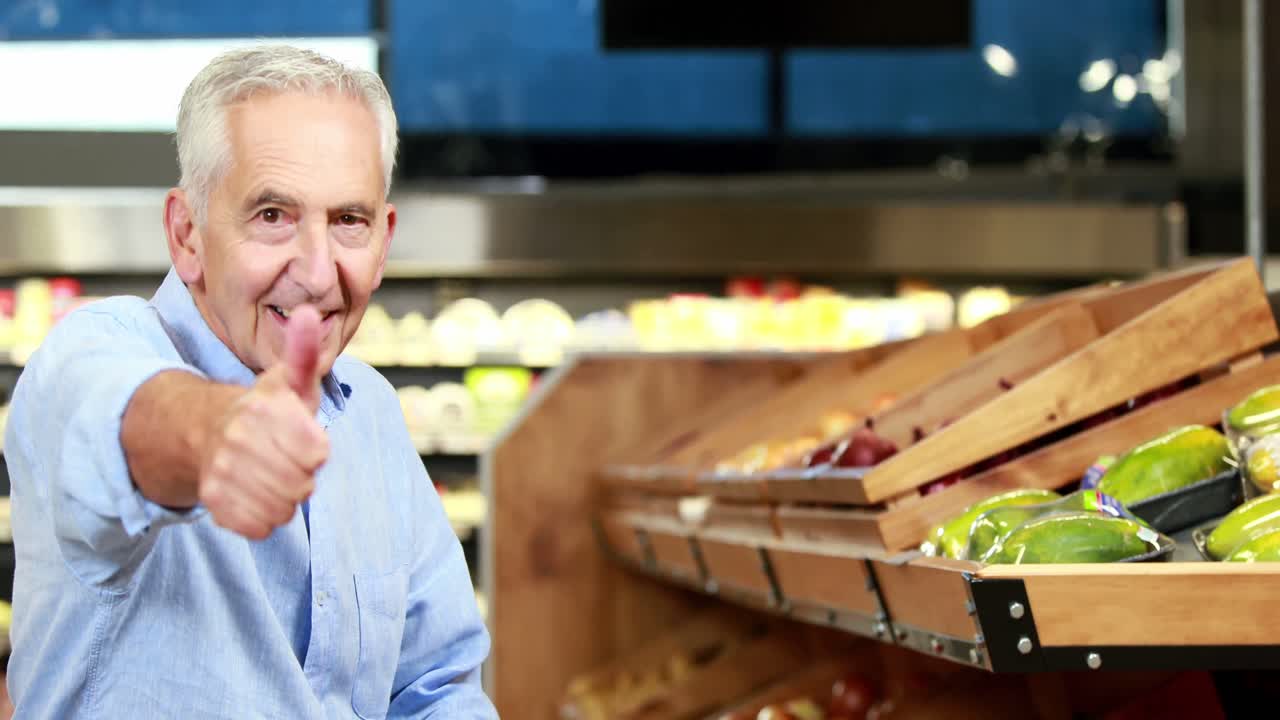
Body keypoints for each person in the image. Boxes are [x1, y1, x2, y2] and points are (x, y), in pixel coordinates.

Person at [3, 45, 496, 718]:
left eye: (347, 221)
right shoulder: (94, 348)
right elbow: (124, 420)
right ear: (187, 235)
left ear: (383, 239)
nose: (318, 273)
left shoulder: (372, 411)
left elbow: (434, 684)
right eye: (273, 216)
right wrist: (219, 435)